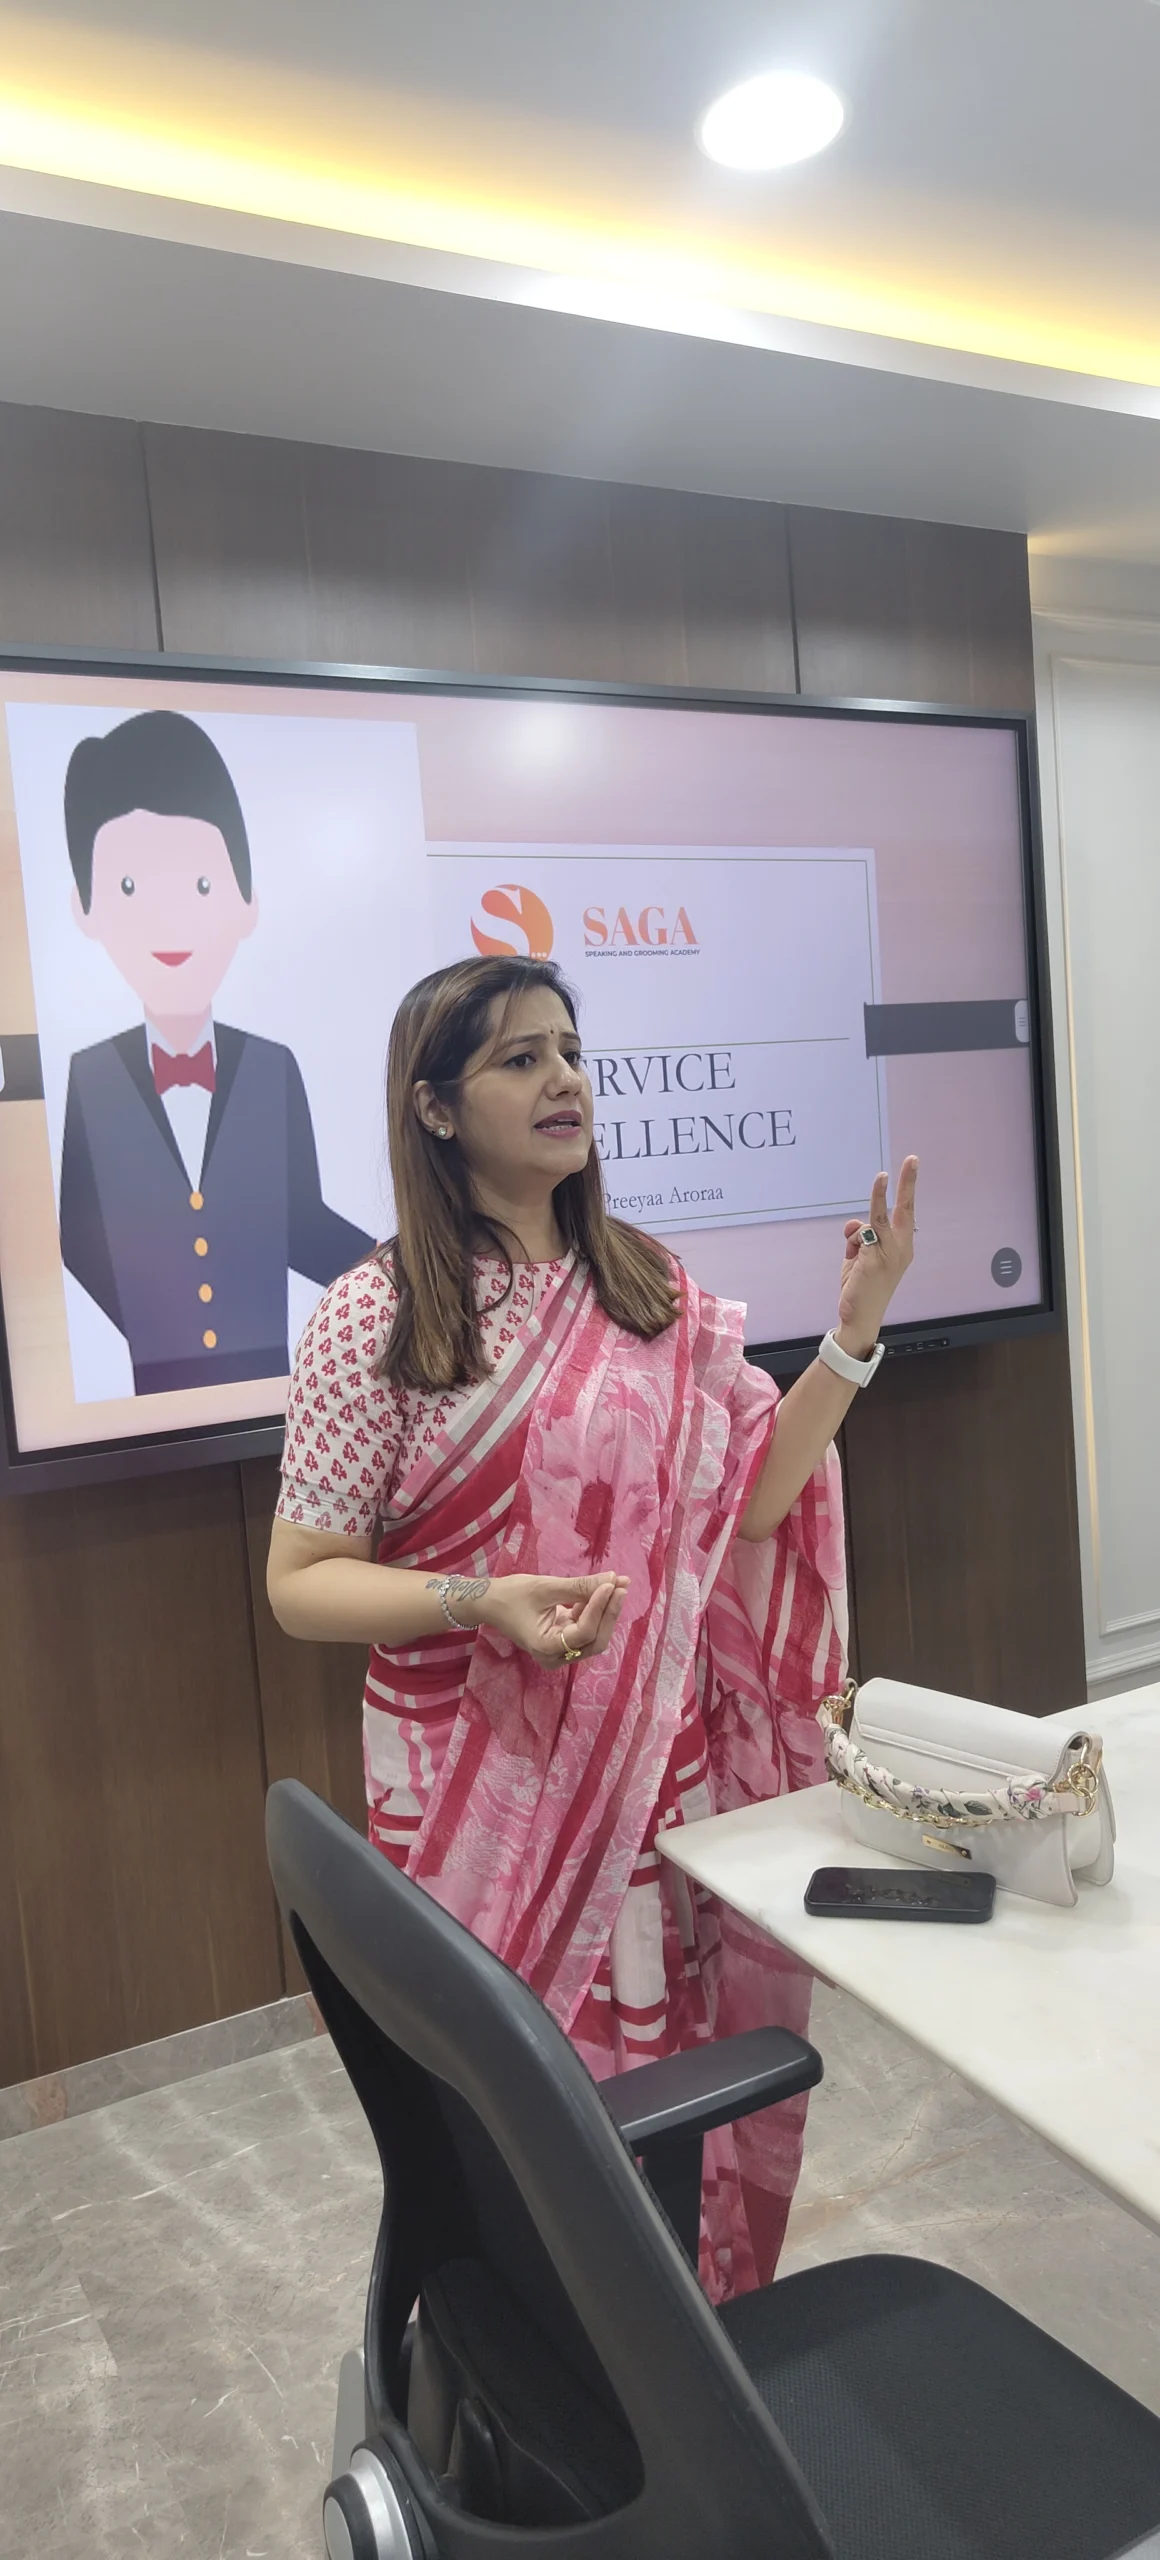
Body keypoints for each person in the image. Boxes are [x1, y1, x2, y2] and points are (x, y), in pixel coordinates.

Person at [268, 953, 917, 2300]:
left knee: (651, 2096)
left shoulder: (647, 1286)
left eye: (569, 1051)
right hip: (471, 1788)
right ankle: (528, 2353)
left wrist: (850, 1339)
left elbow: (754, 1503)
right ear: (435, 1108)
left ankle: (659, 2343)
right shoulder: (374, 1316)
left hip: (643, 1783)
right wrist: (476, 1600)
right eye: (520, 1059)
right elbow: (301, 1580)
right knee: (500, 2115)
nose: (563, 1079)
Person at [59, 709, 373, 1396]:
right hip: (155, 1394)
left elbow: (302, 1221)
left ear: (247, 901)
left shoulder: (273, 1066)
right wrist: (154, 1319)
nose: (169, 920)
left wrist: (402, 1271)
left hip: (274, 1382)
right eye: (130, 888)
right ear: (85, 908)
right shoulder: (89, 1076)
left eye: (201, 885)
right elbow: (75, 1240)